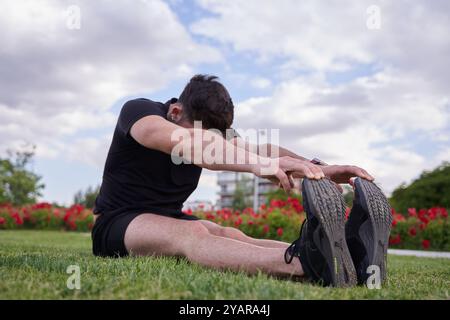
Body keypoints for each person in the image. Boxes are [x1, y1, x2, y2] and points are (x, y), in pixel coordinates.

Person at [92, 74, 392, 287]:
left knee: (230, 233)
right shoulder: (141, 113)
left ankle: (349, 260)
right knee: (192, 233)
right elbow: (190, 143)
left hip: (167, 215)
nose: (217, 142)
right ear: (175, 111)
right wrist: (259, 165)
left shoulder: (210, 131)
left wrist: (313, 167)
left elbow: (260, 149)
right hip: (117, 222)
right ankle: (308, 265)